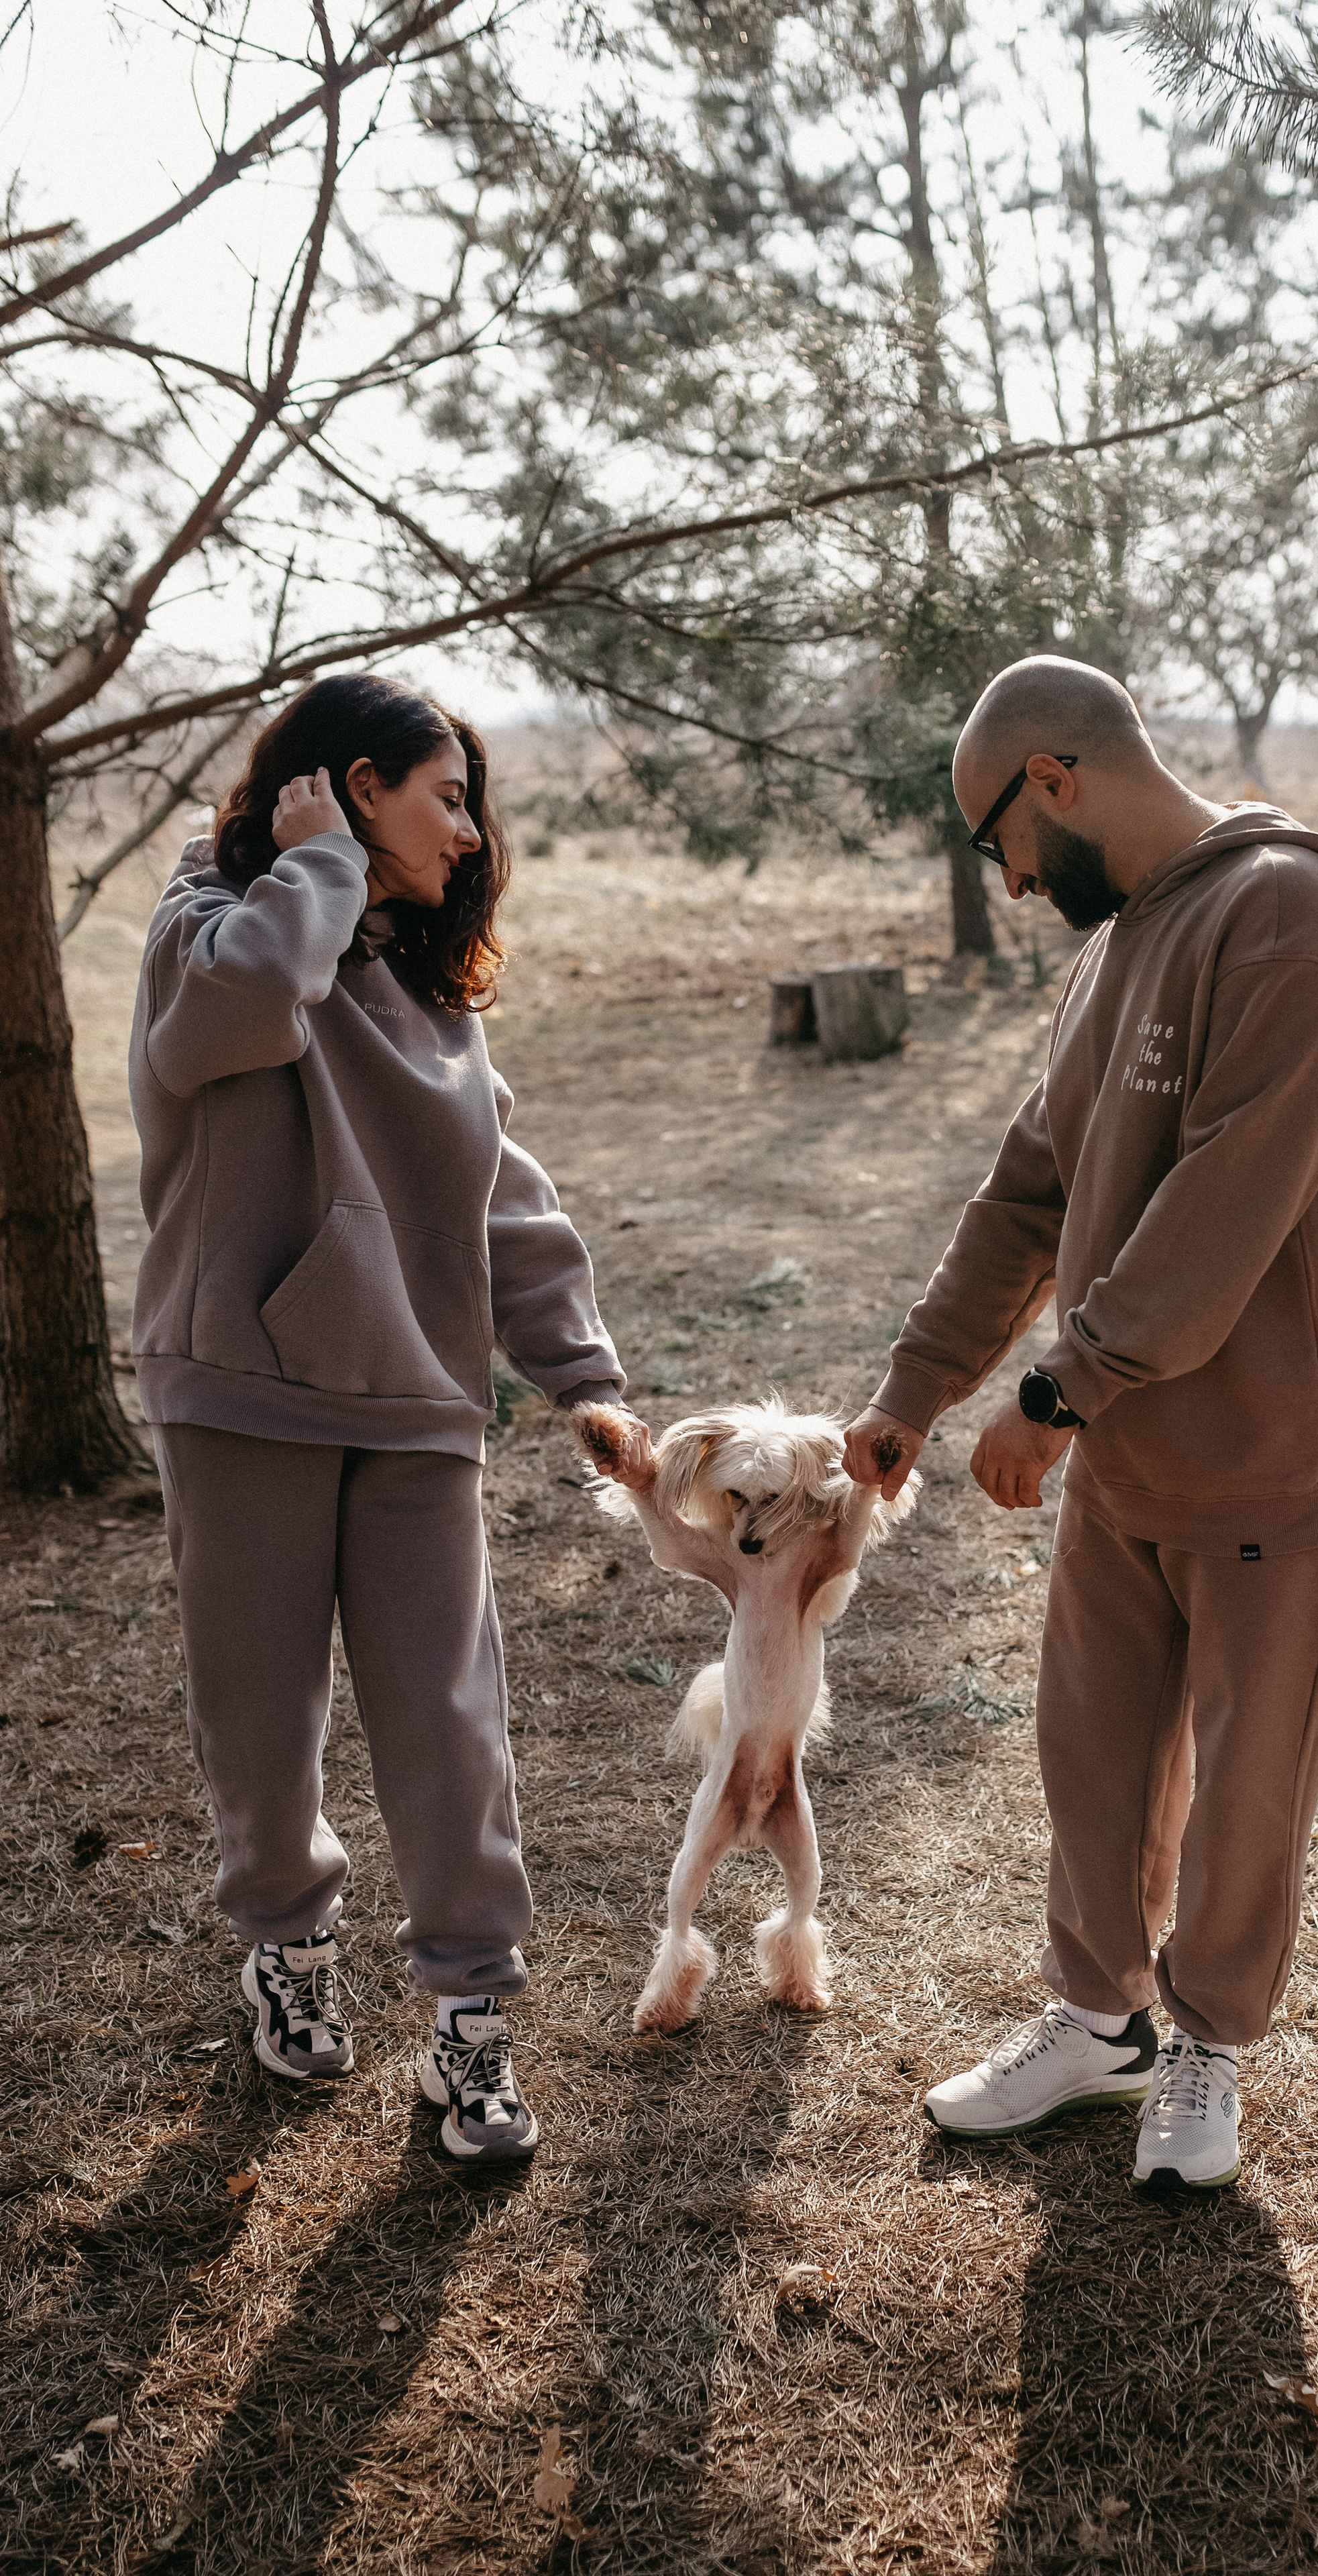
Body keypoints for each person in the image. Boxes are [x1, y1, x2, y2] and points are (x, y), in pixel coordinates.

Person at [843, 655, 1318, 2188]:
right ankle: (1099, 2025)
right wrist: (913, 1389)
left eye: (993, 840)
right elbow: (1029, 1190)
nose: (1007, 882)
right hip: (1125, 1467)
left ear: (1054, 780)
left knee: (1243, 1792)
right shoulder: (1111, 952)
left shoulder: (1289, 914)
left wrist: (1050, 1393)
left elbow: (1224, 1203)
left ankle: (1206, 2050)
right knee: (1088, 1760)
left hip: (1273, 1461)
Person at [129, 673, 651, 2161]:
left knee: (449, 1722)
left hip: (418, 1398)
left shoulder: (423, 995)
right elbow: (227, 1018)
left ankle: (470, 2029)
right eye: (446, 795)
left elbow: (498, 1192)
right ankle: (287, 1954)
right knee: (262, 1716)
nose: (473, 833)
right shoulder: (205, 932)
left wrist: (584, 1378)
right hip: (244, 1391)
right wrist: (314, 867)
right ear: (356, 790)